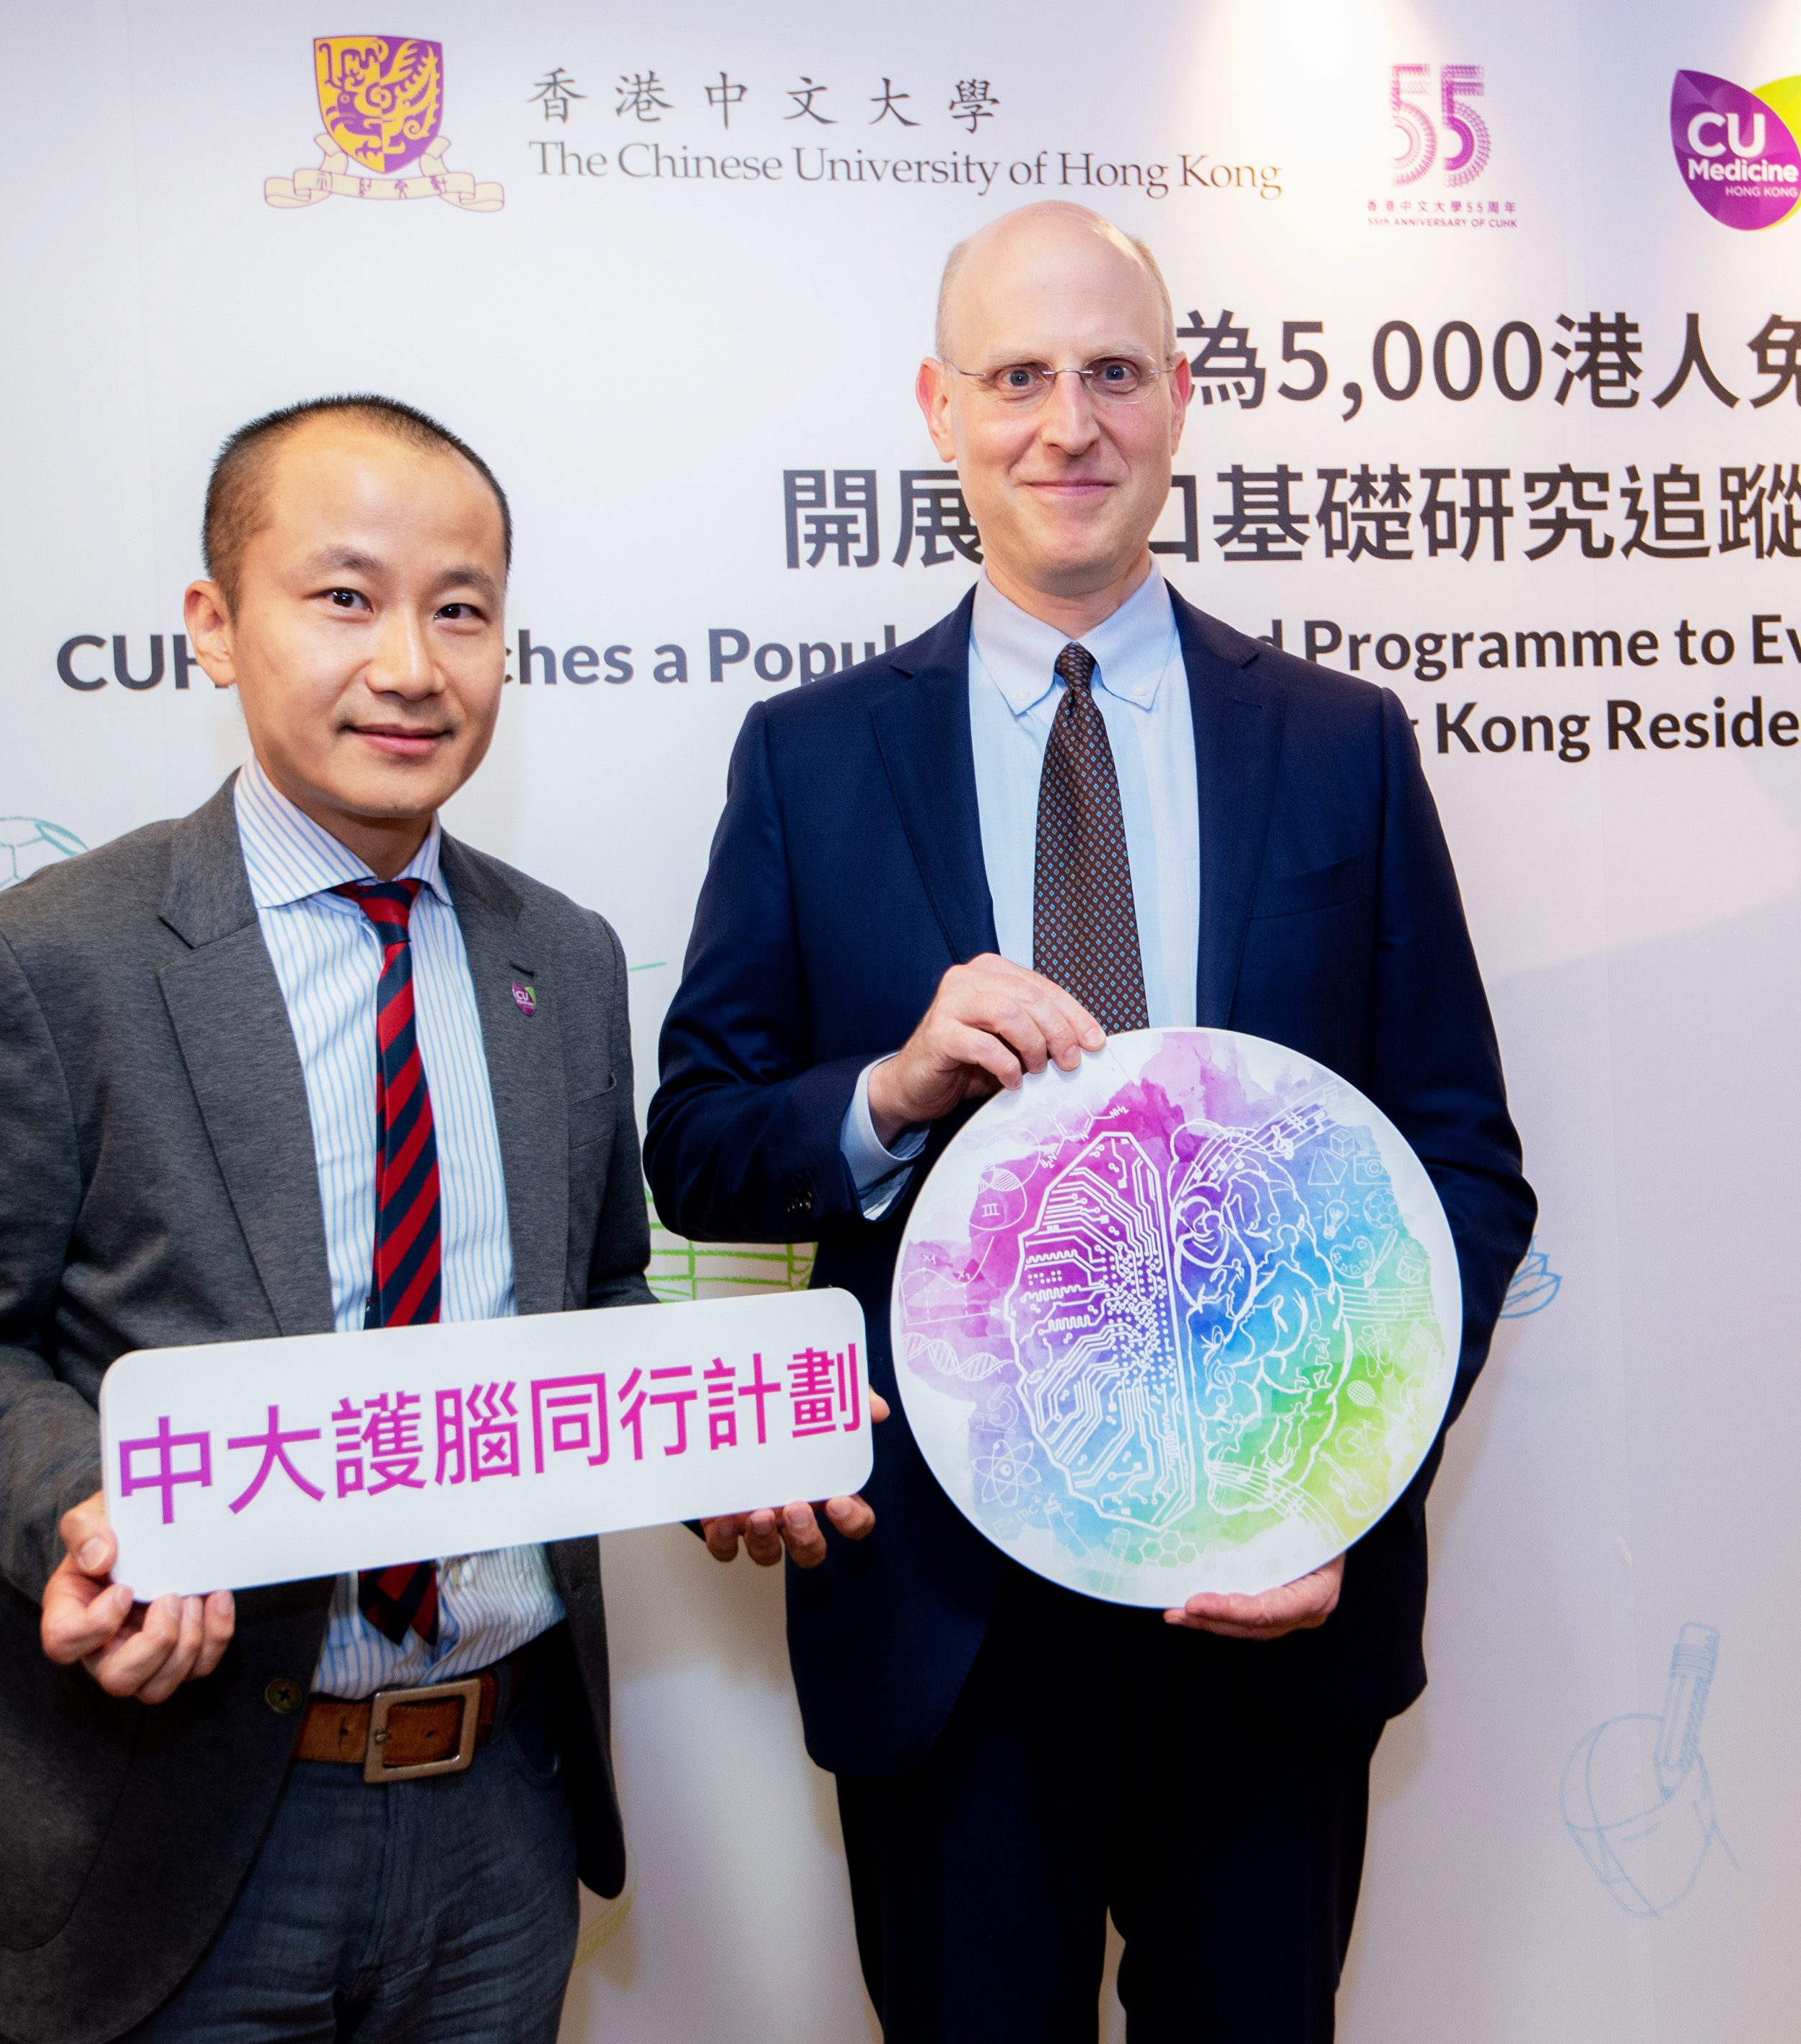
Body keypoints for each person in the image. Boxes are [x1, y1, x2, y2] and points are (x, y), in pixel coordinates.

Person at [645, 202, 1536, 2042]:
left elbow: (1462, 1163)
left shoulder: (1342, 744)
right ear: (939, 406)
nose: (1071, 422)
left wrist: (1345, 1493)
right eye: (1021, 376)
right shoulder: (810, 760)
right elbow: (701, 1137)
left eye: (1113, 372)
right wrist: (887, 1095)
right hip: (952, 1625)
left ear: (1182, 401)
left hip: (1265, 1601)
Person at [0, 396, 768, 2043]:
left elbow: (597, 1295)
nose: (411, 663)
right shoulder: (54, 966)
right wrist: (86, 1500)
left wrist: (713, 1441)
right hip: (177, 1823)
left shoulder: (560, 956)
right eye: (344, 597)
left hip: (503, 1812)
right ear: (215, 624)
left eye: (461, 608)